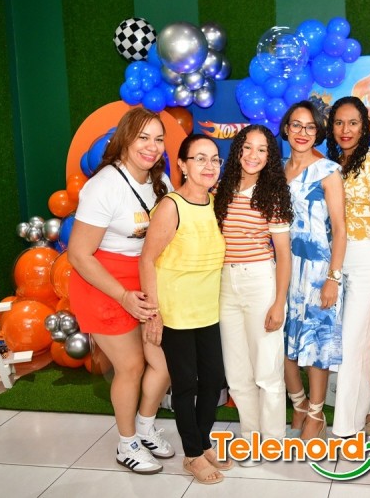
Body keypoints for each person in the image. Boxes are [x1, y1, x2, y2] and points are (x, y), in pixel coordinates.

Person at [68, 107, 174, 475]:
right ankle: (126, 443)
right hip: (102, 283)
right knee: (131, 366)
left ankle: (145, 427)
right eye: (143, 137)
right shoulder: (104, 186)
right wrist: (123, 296)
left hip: (145, 281)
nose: (151, 146)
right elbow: (79, 254)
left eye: (158, 139)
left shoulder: (161, 181)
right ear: (125, 140)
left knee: (164, 364)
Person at [138, 134, 229, 485]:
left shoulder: (215, 204)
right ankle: (192, 454)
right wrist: (154, 313)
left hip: (208, 311)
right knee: (186, 386)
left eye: (215, 159)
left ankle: (202, 442)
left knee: (213, 381)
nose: (209, 166)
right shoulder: (171, 206)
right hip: (176, 313)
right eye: (200, 158)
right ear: (182, 165)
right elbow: (147, 259)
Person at [213, 124, 293, 463]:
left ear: (270, 156)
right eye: (248, 147)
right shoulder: (222, 188)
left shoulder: (272, 193)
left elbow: (284, 254)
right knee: (237, 373)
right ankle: (250, 438)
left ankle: (273, 442)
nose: (253, 155)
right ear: (238, 150)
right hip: (225, 283)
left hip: (260, 281)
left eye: (262, 149)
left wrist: (279, 303)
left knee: (267, 370)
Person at [325, 96, 370, 439]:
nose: (346, 129)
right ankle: (362, 414)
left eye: (353, 122)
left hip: (368, 255)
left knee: (354, 341)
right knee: (351, 342)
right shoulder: (330, 164)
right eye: (339, 122)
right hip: (336, 259)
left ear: (364, 126)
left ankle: (346, 429)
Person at [281, 100, 347, 441]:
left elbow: (340, 228)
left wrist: (333, 279)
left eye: (310, 127)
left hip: (319, 271)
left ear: (318, 132)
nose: (302, 132)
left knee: (315, 346)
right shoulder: (276, 170)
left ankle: (316, 414)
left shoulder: (328, 171)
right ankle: (299, 403)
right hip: (283, 269)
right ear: (286, 128)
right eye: (296, 125)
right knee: (283, 342)